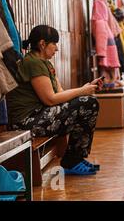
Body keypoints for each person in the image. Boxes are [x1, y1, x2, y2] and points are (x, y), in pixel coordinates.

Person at [6, 25, 103, 176]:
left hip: (39, 114)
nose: (56, 49)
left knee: (88, 103)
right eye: (54, 44)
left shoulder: (45, 63)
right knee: (88, 104)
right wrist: (82, 92)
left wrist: (86, 88)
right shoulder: (33, 63)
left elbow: (60, 94)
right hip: (26, 121)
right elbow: (50, 99)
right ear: (42, 44)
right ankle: (72, 160)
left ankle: (74, 158)